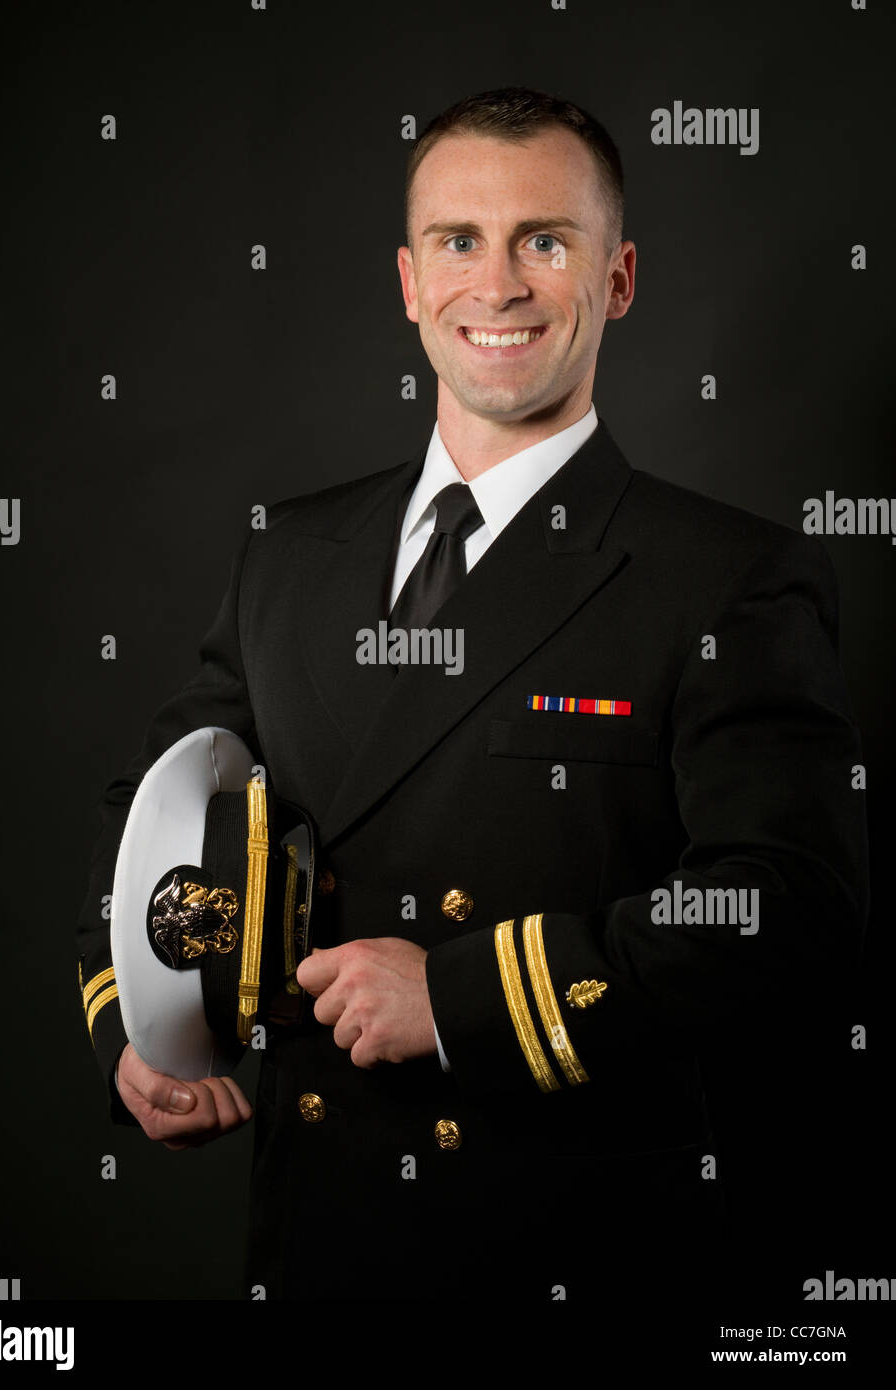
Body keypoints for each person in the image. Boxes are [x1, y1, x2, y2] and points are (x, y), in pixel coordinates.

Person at [77, 87, 868, 1303]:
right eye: (459, 241)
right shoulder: (287, 552)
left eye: (543, 242)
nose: (495, 286)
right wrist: (141, 1025)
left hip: (577, 1251)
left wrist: (457, 1000)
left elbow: (786, 908)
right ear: (408, 280)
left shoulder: (729, 576)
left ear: (617, 279)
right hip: (320, 1240)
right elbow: (157, 813)